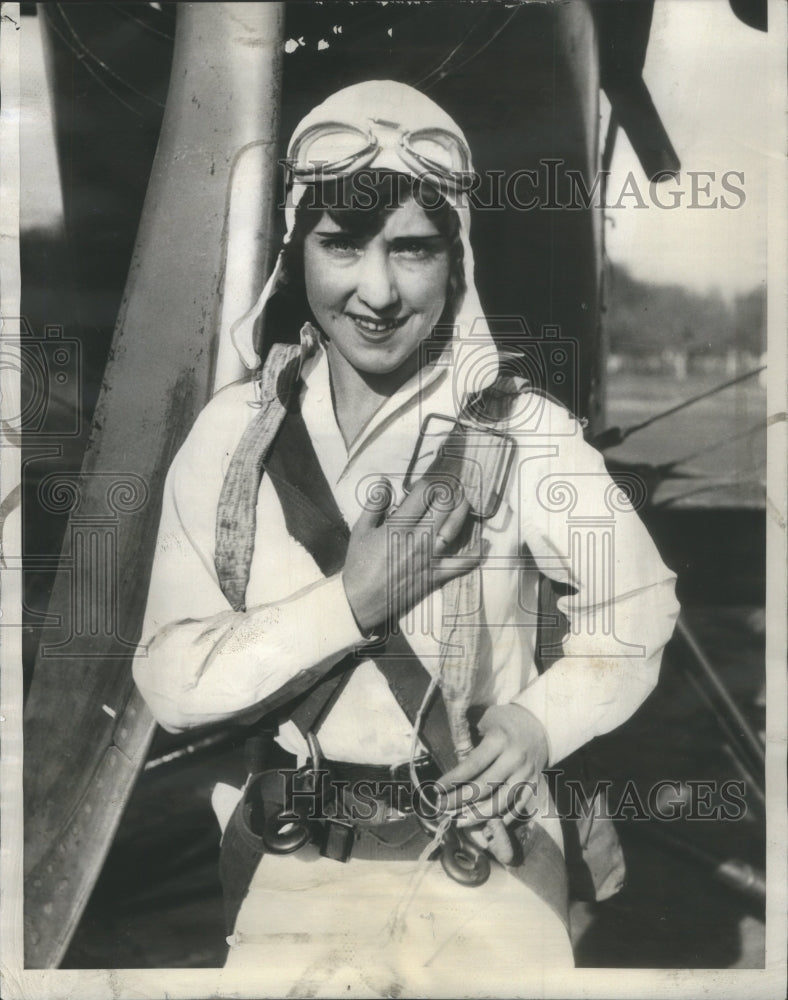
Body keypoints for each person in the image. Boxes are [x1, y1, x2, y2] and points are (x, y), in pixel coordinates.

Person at [134, 80, 680, 995]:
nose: (378, 292)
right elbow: (168, 680)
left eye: (413, 248)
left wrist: (539, 723)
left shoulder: (528, 433)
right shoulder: (231, 436)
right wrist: (352, 602)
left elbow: (638, 607)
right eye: (342, 244)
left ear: (457, 261)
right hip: (291, 868)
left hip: (486, 868)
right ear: (295, 253)